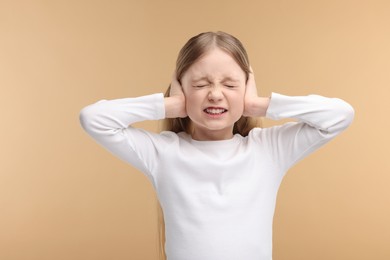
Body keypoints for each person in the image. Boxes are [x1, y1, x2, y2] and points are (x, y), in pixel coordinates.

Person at [79, 31, 354, 260]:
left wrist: (258, 105)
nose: (214, 94)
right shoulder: (162, 153)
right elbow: (94, 118)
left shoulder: (269, 150)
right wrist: (168, 107)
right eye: (200, 84)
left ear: (247, 88)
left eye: (230, 84)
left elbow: (339, 115)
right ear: (181, 89)